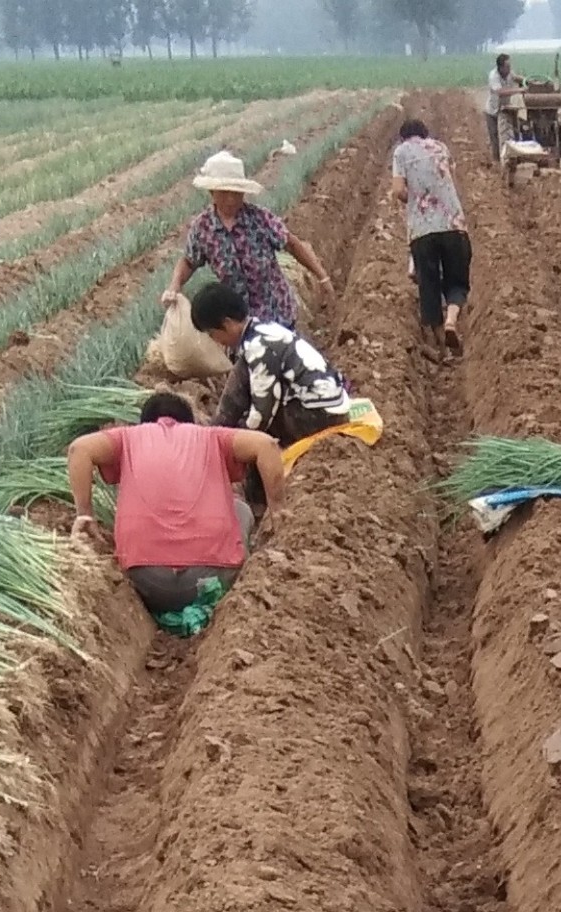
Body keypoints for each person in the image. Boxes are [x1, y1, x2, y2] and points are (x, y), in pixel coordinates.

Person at [64, 392, 286, 628]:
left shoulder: (128, 438)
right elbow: (267, 445)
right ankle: (238, 582)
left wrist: (84, 514)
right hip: (214, 576)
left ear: (145, 422)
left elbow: (79, 449)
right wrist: (278, 510)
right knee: (240, 509)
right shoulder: (210, 436)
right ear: (189, 422)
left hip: (147, 583)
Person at [161, 149, 330, 336]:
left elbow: (292, 244)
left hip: (277, 315)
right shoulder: (203, 228)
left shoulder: (259, 219)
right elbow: (188, 261)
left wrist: (322, 277)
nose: (231, 199)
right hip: (239, 325)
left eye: (236, 193)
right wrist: (174, 285)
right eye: (224, 193)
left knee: (281, 361)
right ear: (211, 192)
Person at [192, 280, 353, 449]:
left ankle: (215, 439)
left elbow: (262, 413)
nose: (216, 341)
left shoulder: (258, 347)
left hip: (318, 417)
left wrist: (240, 439)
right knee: (242, 375)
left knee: (250, 426)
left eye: (212, 334)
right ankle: (214, 434)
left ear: (227, 324)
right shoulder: (264, 329)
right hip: (329, 406)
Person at [389, 118, 471, 358]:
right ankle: (452, 321)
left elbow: (397, 190)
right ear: (425, 134)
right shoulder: (440, 147)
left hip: (422, 231)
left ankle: (441, 349)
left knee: (429, 285)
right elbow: (448, 177)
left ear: (403, 137)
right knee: (457, 281)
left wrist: (412, 199)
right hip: (453, 223)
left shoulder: (401, 152)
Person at [485, 53, 519, 160]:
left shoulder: (509, 73)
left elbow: (516, 78)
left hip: (505, 109)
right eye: (507, 67)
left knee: (514, 135)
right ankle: (498, 164)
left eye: (510, 66)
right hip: (493, 112)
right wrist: (520, 90)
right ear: (500, 67)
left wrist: (529, 81)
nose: (509, 69)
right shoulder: (493, 76)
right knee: (495, 141)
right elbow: (501, 92)